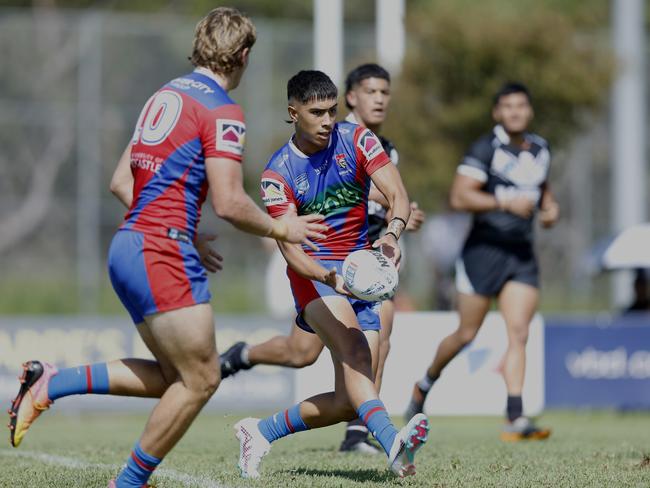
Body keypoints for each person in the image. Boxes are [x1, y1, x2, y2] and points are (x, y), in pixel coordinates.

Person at [7, 8, 326, 488]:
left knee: (174, 378)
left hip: (130, 245)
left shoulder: (166, 94)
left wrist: (184, 227)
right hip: (161, 251)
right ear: (242, 56)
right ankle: (129, 483)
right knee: (202, 380)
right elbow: (230, 201)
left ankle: (50, 383)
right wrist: (285, 230)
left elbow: (121, 181)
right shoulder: (221, 110)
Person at [219, 64, 425, 454]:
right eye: (317, 113)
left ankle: (260, 432)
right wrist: (329, 278)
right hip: (314, 272)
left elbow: (397, 195)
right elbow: (291, 251)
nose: (328, 120)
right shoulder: (277, 173)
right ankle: (394, 444)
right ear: (293, 113)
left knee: (350, 397)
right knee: (356, 353)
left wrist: (391, 237)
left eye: (332, 110)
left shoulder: (359, 139)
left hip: (360, 266)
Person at [405, 82, 559, 441]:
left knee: (518, 333)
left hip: (521, 253)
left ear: (530, 111)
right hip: (482, 252)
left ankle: (516, 416)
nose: (515, 112)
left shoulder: (541, 148)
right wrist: (504, 203)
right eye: (508, 106)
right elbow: (459, 197)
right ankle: (424, 384)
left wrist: (550, 209)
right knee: (466, 334)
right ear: (497, 114)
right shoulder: (484, 148)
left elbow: (542, 187)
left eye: (521, 105)